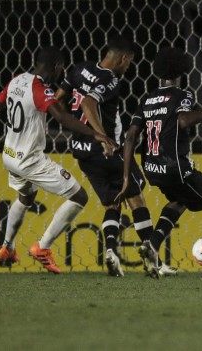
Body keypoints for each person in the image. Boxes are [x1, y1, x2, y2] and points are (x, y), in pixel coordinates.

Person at [0, 46, 117, 274]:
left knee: (26, 196)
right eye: (61, 68)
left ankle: (7, 246)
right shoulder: (39, 88)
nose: (62, 72)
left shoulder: (17, 81)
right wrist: (95, 133)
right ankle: (43, 247)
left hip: (9, 155)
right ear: (57, 66)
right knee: (79, 196)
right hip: (30, 160)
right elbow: (61, 117)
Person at [55, 37, 171, 277]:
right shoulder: (110, 80)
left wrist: (75, 127)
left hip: (81, 150)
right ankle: (153, 261)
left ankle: (110, 252)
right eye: (129, 63)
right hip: (107, 150)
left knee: (112, 202)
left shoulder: (80, 69)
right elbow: (88, 102)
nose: (128, 68)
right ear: (124, 58)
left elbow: (57, 100)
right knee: (136, 197)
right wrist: (101, 137)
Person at [119, 47, 202, 279]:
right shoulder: (182, 96)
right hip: (176, 167)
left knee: (180, 200)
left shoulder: (147, 99)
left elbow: (131, 136)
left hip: (153, 168)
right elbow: (183, 120)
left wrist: (126, 177)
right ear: (181, 70)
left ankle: (151, 245)